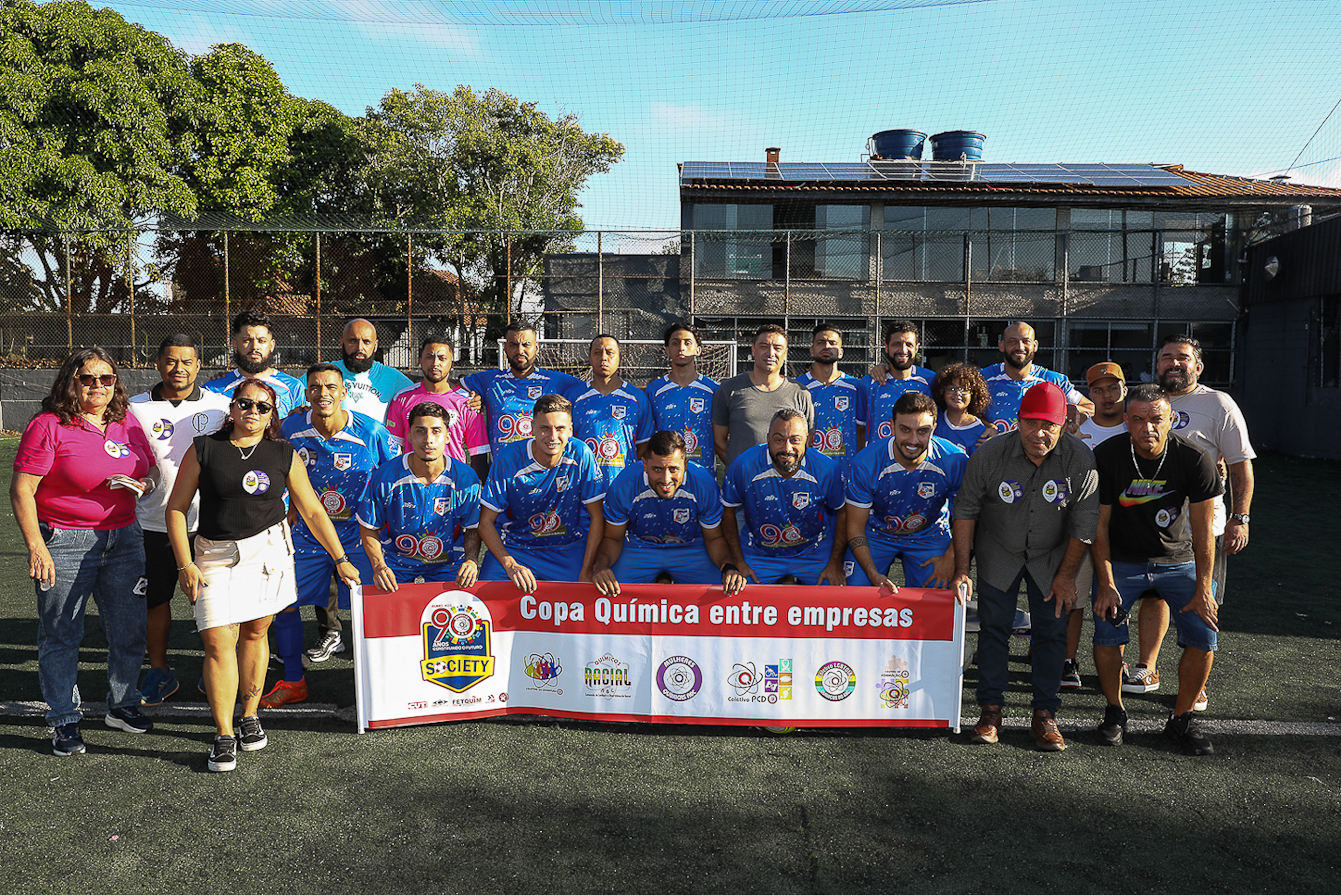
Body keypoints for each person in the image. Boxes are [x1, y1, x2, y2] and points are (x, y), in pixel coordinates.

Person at [166, 379, 359, 772]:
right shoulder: (204, 448)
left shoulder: (283, 453)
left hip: (268, 553)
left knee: (255, 632)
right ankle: (223, 734)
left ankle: (250, 716)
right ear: (232, 408)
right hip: (213, 556)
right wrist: (185, 564)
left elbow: (314, 511)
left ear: (273, 414)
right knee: (219, 640)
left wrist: (339, 558)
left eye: (262, 406)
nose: (252, 412)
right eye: (245, 403)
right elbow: (176, 508)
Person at [12, 348, 157, 756]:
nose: (98, 386)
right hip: (65, 541)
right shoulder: (48, 425)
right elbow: (23, 489)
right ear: (70, 381)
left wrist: (144, 485)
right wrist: (36, 546)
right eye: (88, 378)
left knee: (129, 630)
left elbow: (152, 469)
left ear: (116, 383)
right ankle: (64, 719)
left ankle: (123, 704)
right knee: (61, 633)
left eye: (106, 378)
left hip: (125, 539)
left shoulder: (126, 420)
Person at [950, 381, 1099, 752]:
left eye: (1049, 424)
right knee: (993, 629)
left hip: (1052, 555)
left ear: (1064, 424)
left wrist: (1066, 576)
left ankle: (1045, 714)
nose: (1039, 432)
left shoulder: (1080, 458)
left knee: (1050, 632)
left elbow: (1084, 524)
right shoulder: (990, 454)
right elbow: (966, 510)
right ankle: (990, 711)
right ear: (1017, 421)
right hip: (999, 549)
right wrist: (962, 568)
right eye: (1031, 422)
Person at [1123, 334, 1256, 708]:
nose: (1174, 364)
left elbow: (1240, 465)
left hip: (1204, 527)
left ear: (1198, 366)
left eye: (1183, 358)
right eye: (1166, 358)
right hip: (1149, 525)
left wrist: (1239, 517)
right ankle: (1146, 666)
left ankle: (1195, 684)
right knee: (1153, 596)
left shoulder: (1218, 404)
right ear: (1157, 364)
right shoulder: (1144, 401)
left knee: (1203, 600)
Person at [1090, 384, 1221, 755]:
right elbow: (1098, 527)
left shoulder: (1194, 458)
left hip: (1177, 561)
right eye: (1138, 420)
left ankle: (1181, 721)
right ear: (1127, 422)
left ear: (1170, 420)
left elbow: (1203, 531)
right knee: (1105, 634)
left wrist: (1204, 588)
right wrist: (1106, 582)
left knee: (1204, 634)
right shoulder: (1108, 455)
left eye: (1156, 419)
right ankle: (1115, 712)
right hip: (1123, 561)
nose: (1147, 428)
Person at [265, 365, 399, 707]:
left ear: (343, 393)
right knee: (285, 601)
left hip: (358, 535)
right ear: (306, 392)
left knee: (375, 607)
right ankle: (294, 679)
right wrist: (289, 501)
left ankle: (381, 683)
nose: (322, 393)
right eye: (315, 387)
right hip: (309, 534)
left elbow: (391, 478)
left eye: (330, 387)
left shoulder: (371, 431)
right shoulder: (291, 428)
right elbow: (275, 467)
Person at [128, 335, 231, 705]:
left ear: (198, 365)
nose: (179, 369)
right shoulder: (134, 408)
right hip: (151, 523)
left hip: (209, 525)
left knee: (211, 603)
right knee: (155, 601)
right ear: (157, 363)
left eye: (187, 361)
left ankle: (213, 669)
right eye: (171, 361)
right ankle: (159, 672)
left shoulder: (220, 408)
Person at [478, 394, 605, 591]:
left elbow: (597, 516)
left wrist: (587, 570)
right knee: (483, 597)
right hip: (516, 548)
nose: (553, 437)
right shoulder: (509, 458)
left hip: (567, 549)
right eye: (545, 428)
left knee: (585, 600)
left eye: (560, 428)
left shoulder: (581, 453)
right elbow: (485, 522)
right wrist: (511, 565)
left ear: (571, 429)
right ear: (532, 428)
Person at [591, 430, 743, 594]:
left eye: (673, 469)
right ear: (644, 465)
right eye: (657, 469)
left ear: (685, 464)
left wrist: (728, 566)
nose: (665, 479)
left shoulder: (704, 485)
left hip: (690, 548)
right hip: (640, 549)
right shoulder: (624, 486)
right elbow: (613, 538)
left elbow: (714, 538)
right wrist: (600, 566)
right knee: (606, 588)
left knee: (722, 591)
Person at [845, 393, 967, 590]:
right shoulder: (866, 463)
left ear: (934, 428)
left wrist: (951, 556)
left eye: (922, 431)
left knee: (938, 596)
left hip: (929, 533)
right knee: (855, 593)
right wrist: (872, 574)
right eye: (905, 430)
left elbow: (966, 516)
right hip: (876, 534)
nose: (913, 440)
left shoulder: (954, 459)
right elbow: (855, 528)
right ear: (891, 426)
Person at [359, 403, 483, 590]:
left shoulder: (466, 478)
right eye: (420, 431)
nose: (428, 440)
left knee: (459, 611)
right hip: (396, 562)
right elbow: (369, 527)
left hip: (448, 562)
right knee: (385, 610)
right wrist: (379, 566)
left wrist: (472, 561)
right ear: (408, 435)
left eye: (436, 431)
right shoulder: (386, 475)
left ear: (448, 436)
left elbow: (472, 529)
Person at [1061, 361, 1129, 689]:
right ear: (1090, 394)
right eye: (1099, 390)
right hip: (1081, 525)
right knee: (1072, 598)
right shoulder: (1078, 426)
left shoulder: (1136, 427)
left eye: (1113, 388)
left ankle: (1117, 659)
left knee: (1118, 597)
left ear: (1124, 390)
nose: (1107, 396)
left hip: (1124, 527)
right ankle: (1067, 660)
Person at [721, 409, 847, 586]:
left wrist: (834, 563)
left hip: (814, 552)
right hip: (758, 554)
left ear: (809, 441)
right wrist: (739, 562)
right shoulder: (745, 465)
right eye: (779, 440)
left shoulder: (827, 470)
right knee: (736, 593)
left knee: (836, 595)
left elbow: (842, 513)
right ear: (767, 439)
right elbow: (727, 513)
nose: (786, 449)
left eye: (795, 440)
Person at [460, 320, 586, 462]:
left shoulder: (557, 381)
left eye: (526, 344)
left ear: (536, 348)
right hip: (504, 472)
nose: (520, 350)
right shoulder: (490, 380)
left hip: (545, 473)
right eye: (513, 345)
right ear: (505, 347)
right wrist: (470, 396)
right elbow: (449, 387)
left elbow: (592, 391)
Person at [384, 334, 489, 476]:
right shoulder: (402, 398)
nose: (435, 363)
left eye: (442, 358)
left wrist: (472, 487)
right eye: (429, 357)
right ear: (420, 361)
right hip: (412, 484)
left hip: (453, 484)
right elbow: (393, 449)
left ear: (451, 363)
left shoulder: (468, 402)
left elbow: (478, 455)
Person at [712, 324, 814, 469]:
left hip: (785, 483)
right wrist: (740, 468)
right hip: (743, 483)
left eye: (777, 348)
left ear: (785, 353)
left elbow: (807, 442)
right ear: (753, 350)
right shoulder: (729, 389)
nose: (770, 353)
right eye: (764, 346)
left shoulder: (801, 393)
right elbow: (718, 441)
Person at [980, 321, 1094, 435]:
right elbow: (964, 413)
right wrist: (986, 425)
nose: (1019, 347)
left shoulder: (1054, 381)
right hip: (997, 450)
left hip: (1040, 450)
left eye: (1026, 341)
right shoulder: (983, 378)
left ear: (1035, 346)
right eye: (1012, 341)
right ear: (1002, 346)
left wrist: (1072, 410)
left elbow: (1090, 408)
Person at [573, 334, 654, 488]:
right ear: (589, 358)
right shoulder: (574, 396)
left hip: (624, 484)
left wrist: (630, 472)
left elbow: (644, 444)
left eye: (610, 353)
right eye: (597, 353)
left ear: (620, 358)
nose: (603, 358)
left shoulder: (637, 398)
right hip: (583, 484)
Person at [645, 321, 720, 471]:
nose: (681, 348)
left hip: (703, 472)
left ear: (698, 350)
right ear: (667, 350)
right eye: (675, 343)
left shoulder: (713, 390)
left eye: (688, 343)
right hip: (666, 473)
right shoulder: (654, 390)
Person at [204, 310, 306, 417]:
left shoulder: (293, 388)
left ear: (271, 345)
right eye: (246, 340)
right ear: (234, 345)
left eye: (261, 341)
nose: (254, 347)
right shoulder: (213, 389)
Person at [795, 323, 865, 477]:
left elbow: (862, 432)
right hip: (808, 472)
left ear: (840, 352)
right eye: (820, 342)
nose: (826, 346)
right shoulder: (797, 387)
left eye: (832, 343)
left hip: (847, 472)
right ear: (812, 351)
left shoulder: (856, 387)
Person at [862, 320, 937, 441]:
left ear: (917, 348)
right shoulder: (869, 383)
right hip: (881, 458)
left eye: (909, 344)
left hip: (917, 456)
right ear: (886, 347)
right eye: (897, 344)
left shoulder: (930, 380)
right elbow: (860, 428)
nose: (903, 350)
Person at [332, 317, 413, 423]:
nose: (359, 348)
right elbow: (302, 392)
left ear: (375, 346)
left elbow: (420, 398)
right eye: (353, 341)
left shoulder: (393, 379)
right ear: (342, 342)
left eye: (366, 342)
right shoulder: (325, 373)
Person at [931, 362, 991, 456]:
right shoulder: (934, 419)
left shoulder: (980, 432)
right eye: (951, 388)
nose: (957, 393)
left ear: (973, 393)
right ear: (942, 391)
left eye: (964, 389)